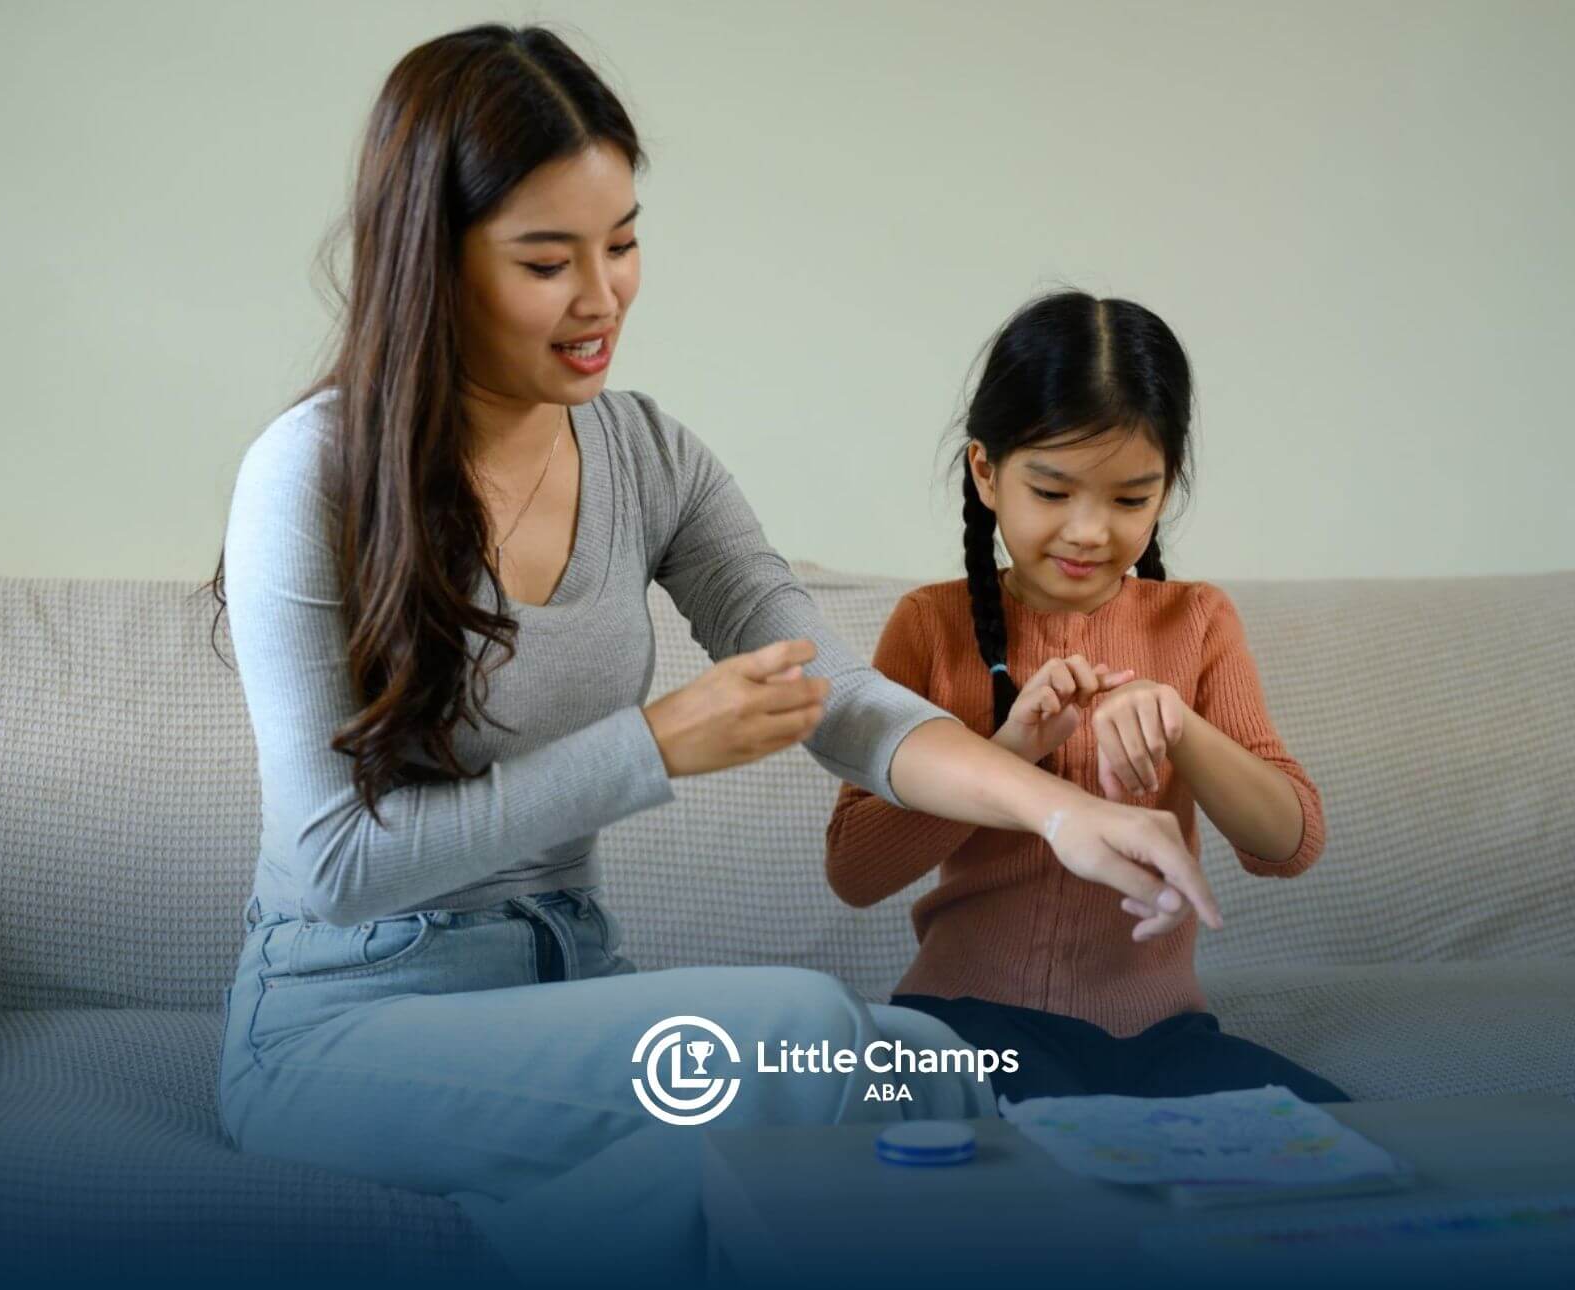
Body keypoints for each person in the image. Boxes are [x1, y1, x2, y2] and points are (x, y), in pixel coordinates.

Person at [207, 25, 1222, 1287]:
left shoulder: (644, 456)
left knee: (931, 1074)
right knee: (793, 1030)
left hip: (564, 986)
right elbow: (335, 863)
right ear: (434, 263)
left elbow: (833, 690)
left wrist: (1058, 812)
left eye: (622, 242)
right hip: (339, 1027)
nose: (603, 297)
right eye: (546, 260)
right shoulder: (310, 476)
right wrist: (652, 746)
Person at [826, 291, 1350, 1109]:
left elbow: (1289, 843)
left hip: (1160, 1039)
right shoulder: (931, 625)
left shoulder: (1198, 620)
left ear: (1167, 488)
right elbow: (854, 869)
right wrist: (1008, 758)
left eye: (1130, 499)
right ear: (986, 472)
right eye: (1054, 490)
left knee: (1358, 1147)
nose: (1088, 531)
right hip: (966, 1030)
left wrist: (1182, 726)